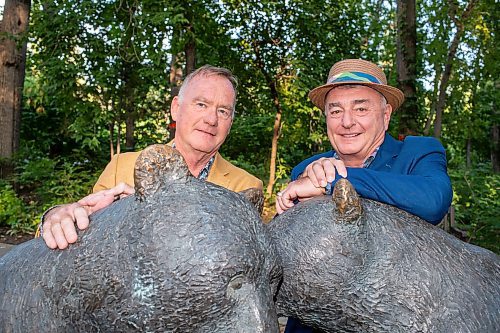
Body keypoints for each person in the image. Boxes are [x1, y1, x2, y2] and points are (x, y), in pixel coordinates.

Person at [275, 59, 453, 333]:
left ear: (386, 114)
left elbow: (433, 201)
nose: (347, 122)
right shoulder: (305, 170)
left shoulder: (418, 153)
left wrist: (335, 179)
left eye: (361, 108)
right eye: (335, 111)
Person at [40, 65, 262, 250]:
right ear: (176, 108)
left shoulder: (245, 189)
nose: (211, 119)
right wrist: (57, 216)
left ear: (231, 122)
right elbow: (81, 241)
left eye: (223, 111)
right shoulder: (122, 166)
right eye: (201, 104)